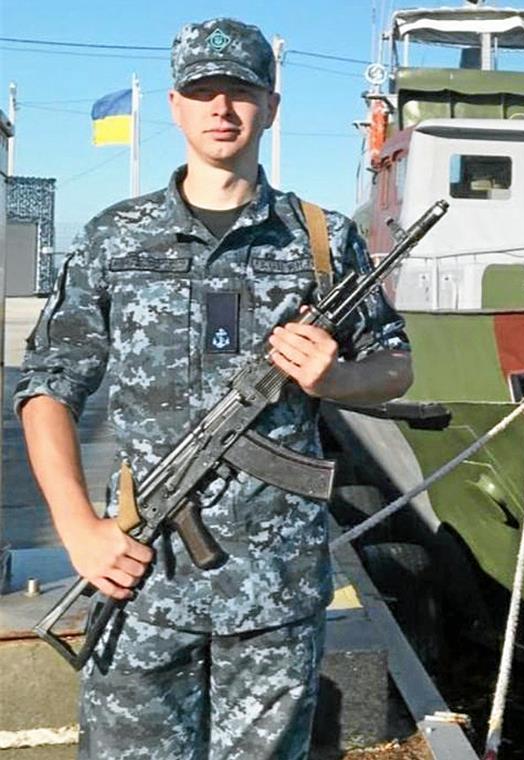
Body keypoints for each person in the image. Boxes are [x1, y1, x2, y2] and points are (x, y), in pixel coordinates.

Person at [15, 17, 412, 759]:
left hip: (275, 591)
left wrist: (334, 377)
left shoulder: (322, 240)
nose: (222, 108)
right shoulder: (115, 238)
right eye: (203, 92)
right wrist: (77, 528)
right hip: (141, 576)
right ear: (175, 106)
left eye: (241, 91)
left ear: (271, 106)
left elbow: (395, 364)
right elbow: (46, 388)